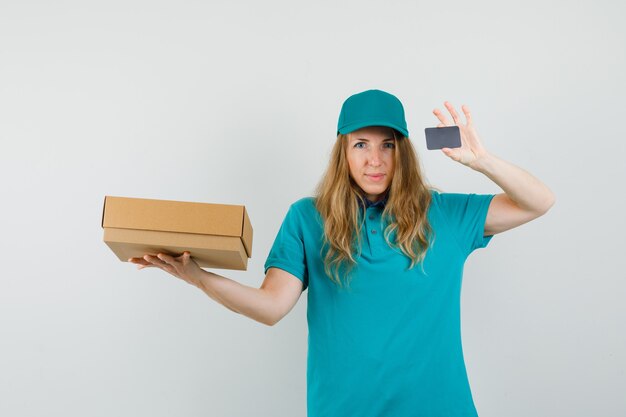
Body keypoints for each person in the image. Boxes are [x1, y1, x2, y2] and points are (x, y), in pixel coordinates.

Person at [129, 89, 555, 417]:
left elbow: (538, 201)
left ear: (402, 151)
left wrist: (482, 161)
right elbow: (271, 305)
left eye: (387, 145)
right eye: (360, 145)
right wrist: (197, 277)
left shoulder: (444, 214)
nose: (375, 159)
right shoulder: (307, 218)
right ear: (343, 152)